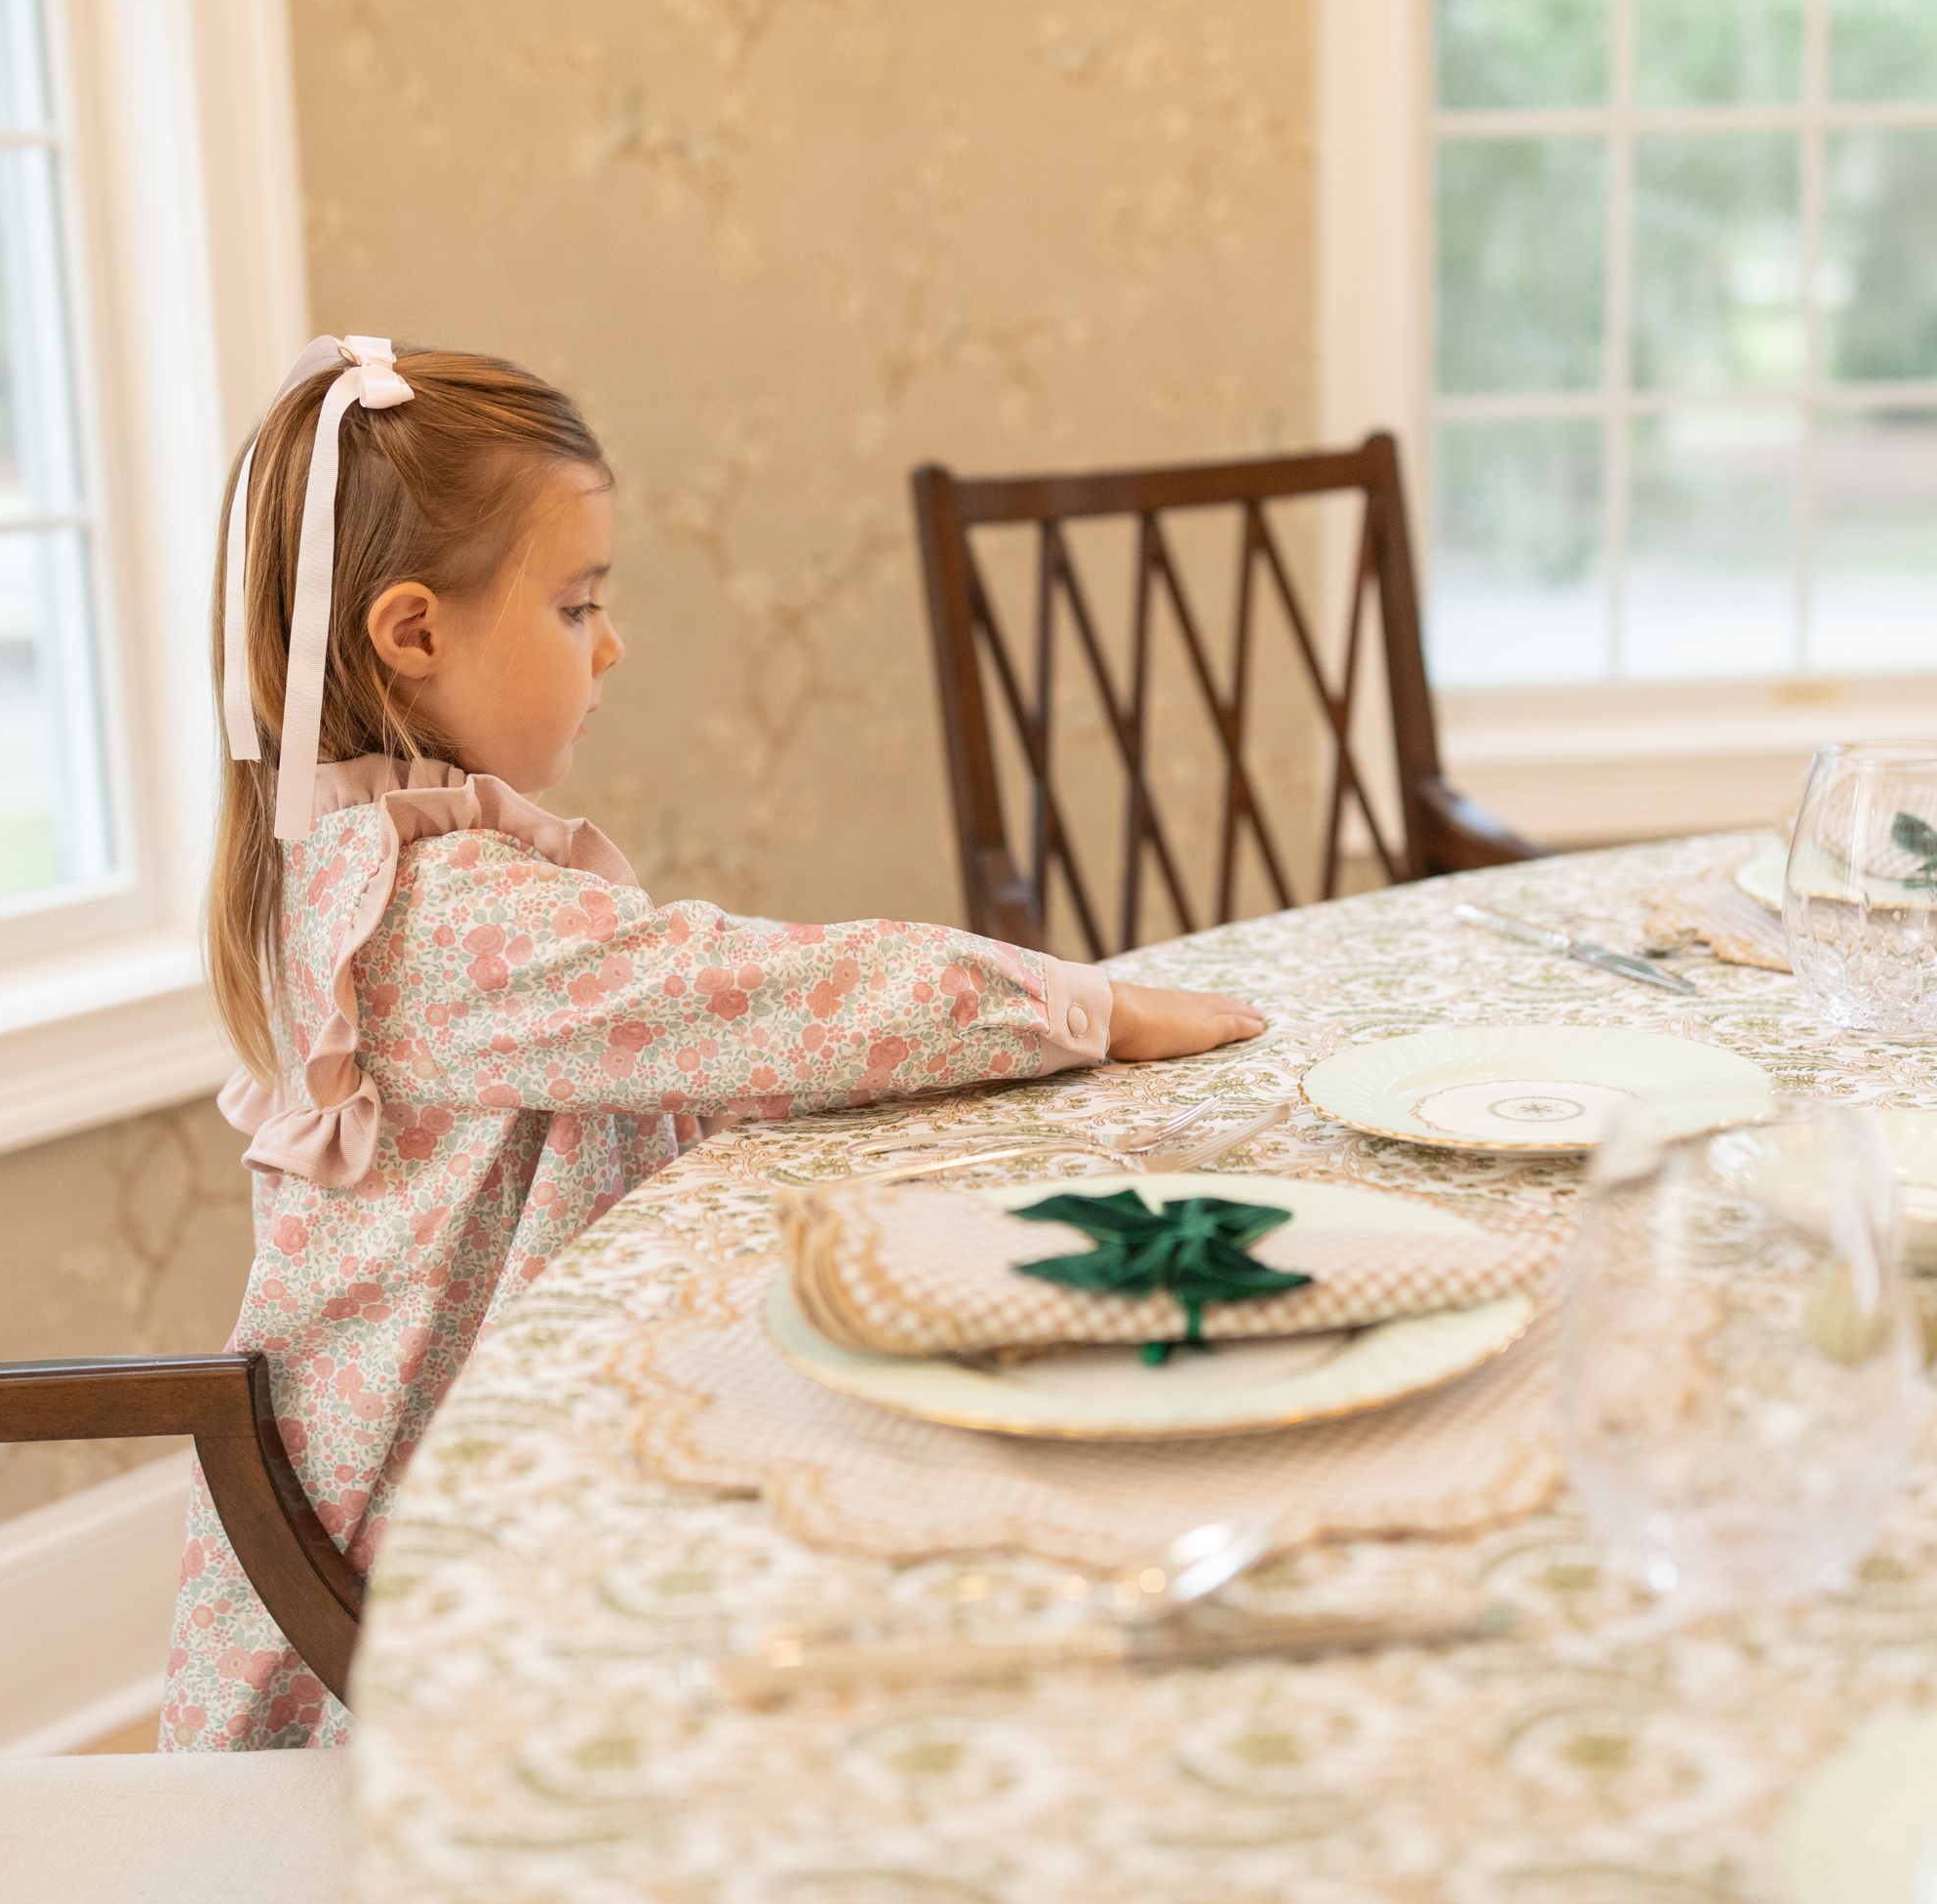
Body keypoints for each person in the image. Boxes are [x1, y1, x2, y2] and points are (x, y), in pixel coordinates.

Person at [161, 336, 1266, 1750]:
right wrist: (1082, 1006)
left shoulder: (349, 859)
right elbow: (761, 995)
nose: (610, 643)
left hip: (461, 1481)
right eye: (576, 605)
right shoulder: (434, 916)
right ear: (413, 633)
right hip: (417, 1560)